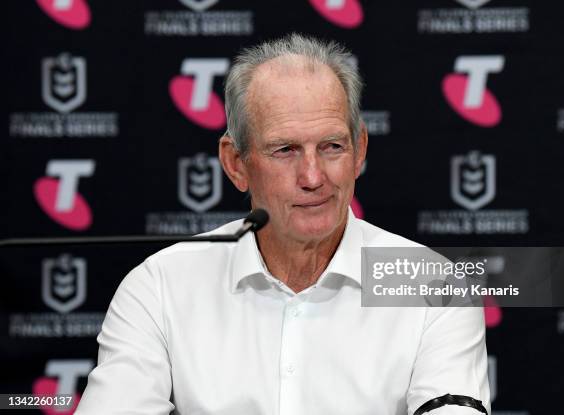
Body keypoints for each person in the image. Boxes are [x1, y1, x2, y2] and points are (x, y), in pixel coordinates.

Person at [75, 33, 490, 415]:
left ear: (359, 149)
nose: (312, 177)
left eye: (331, 146)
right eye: (285, 150)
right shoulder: (160, 287)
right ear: (236, 163)